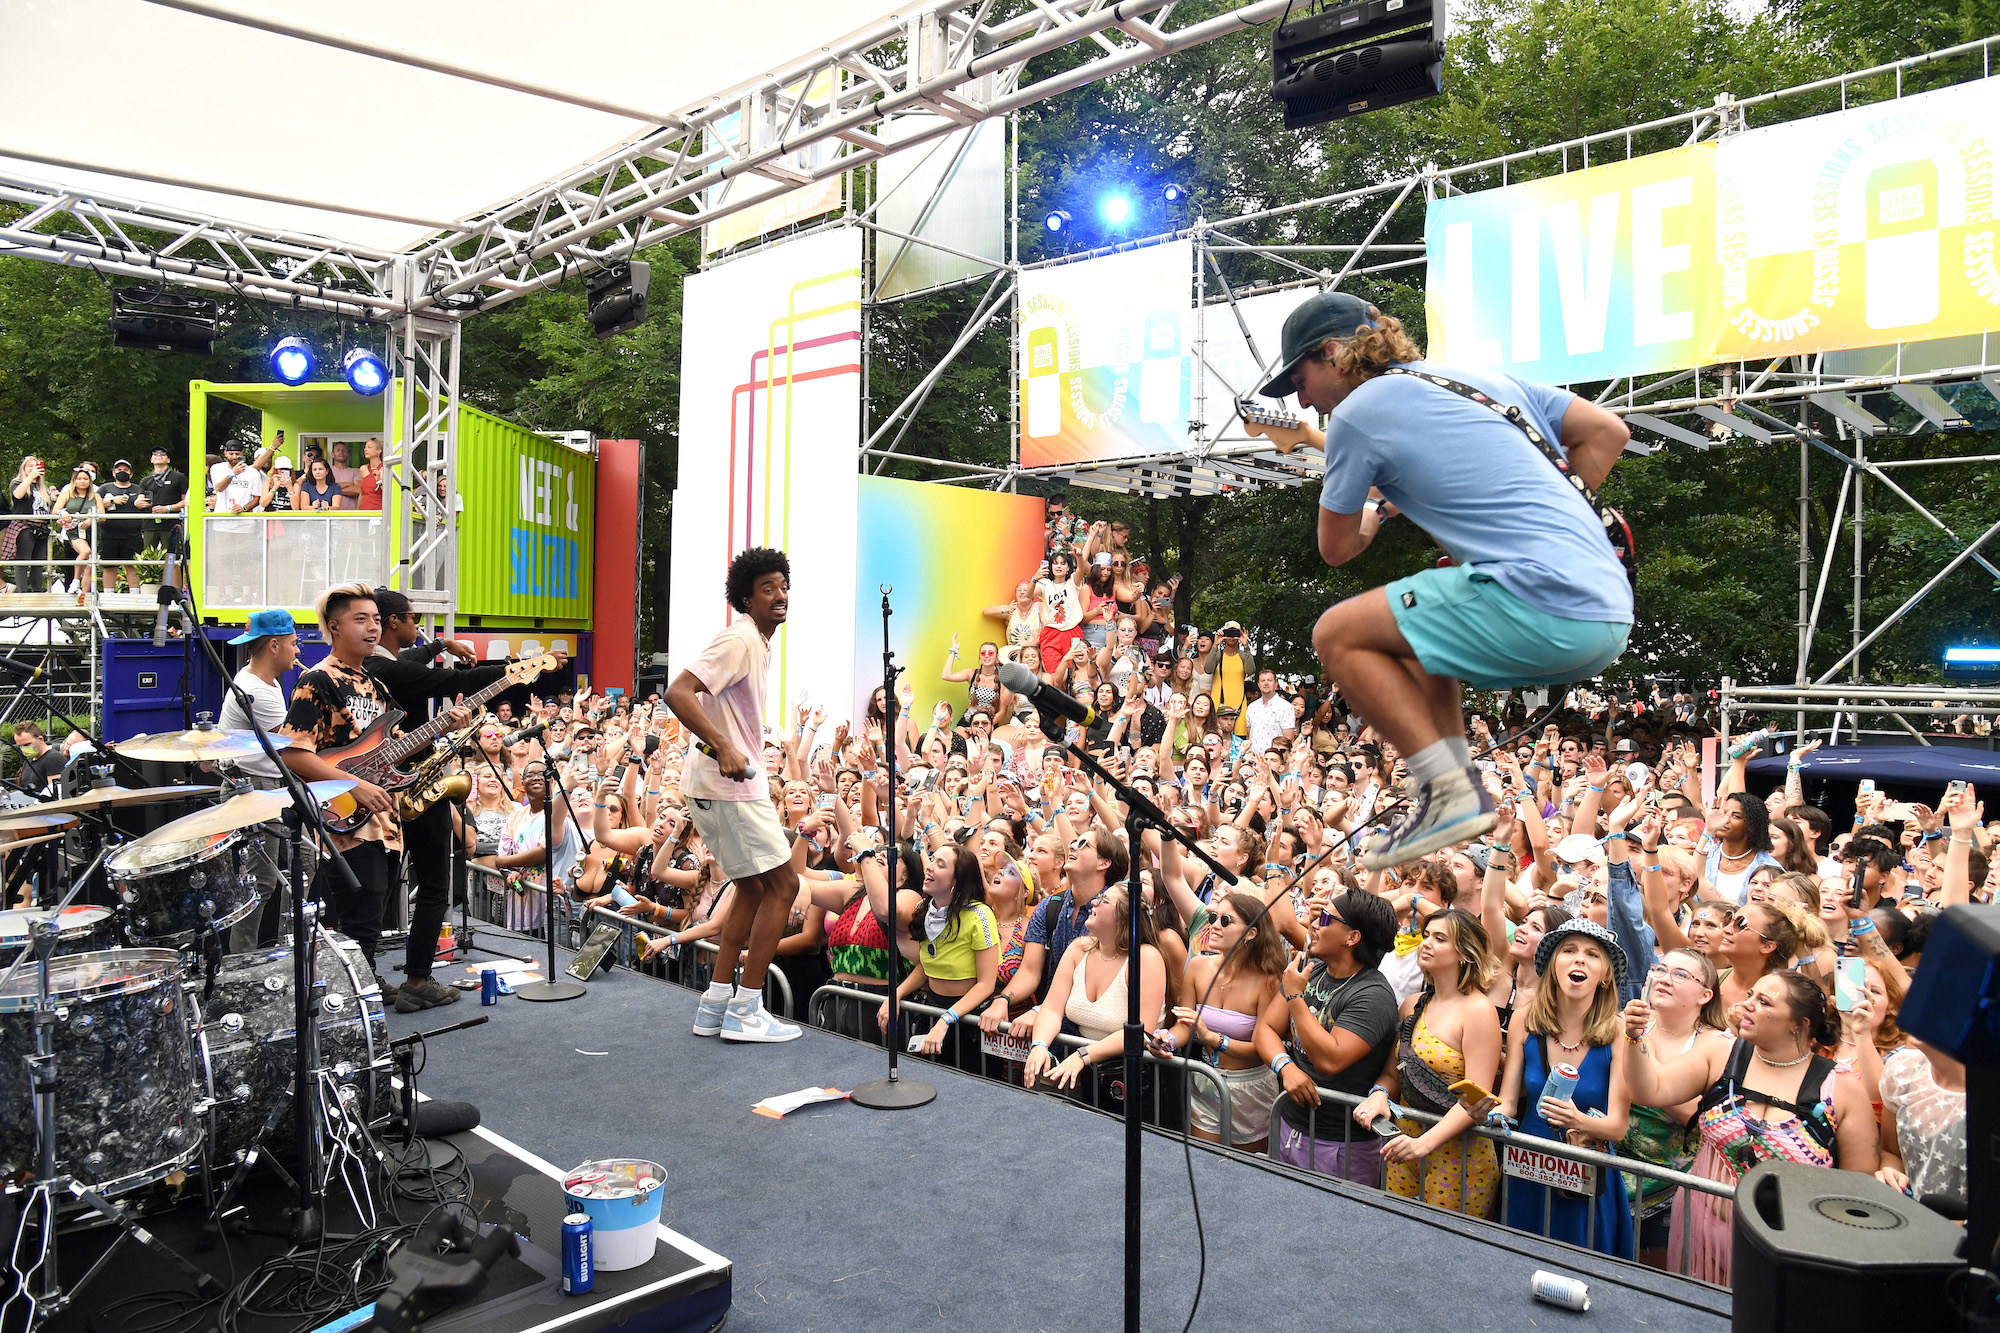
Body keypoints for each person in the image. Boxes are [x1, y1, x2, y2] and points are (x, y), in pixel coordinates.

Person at [1249, 290, 1633, 869]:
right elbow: (1608, 432)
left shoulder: (1356, 413)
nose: (1301, 398)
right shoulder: (1484, 380)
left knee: (1337, 634)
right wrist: (1530, 528)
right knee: (1411, 635)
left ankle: (1449, 792)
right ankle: (1457, 789)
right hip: (1607, 611)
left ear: (1332, 352)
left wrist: (1376, 513)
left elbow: (1337, 547)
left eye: (1299, 379)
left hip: (1542, 605)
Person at [1624, 968, 1878, 1286]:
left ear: (1799, 1025)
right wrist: (1634, 1039)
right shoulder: (1722, 1053)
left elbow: (1858, 1186)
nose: (1747, 1005)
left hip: (1783, 1256)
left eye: (1764, 1002)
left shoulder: (1840, 1089)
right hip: (1698, 1240)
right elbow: (1651, 1089)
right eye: (1750, 996)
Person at [367, 586, 542, 1012]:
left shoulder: (381, 664)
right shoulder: (390, 670)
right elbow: (456, 680)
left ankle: (368, 975)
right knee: (432, 885)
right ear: (394, 622)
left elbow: (415, 657)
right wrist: (511, 671)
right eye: (412, 619)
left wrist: (441, 644)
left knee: (382, 885)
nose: (417, 627)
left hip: (393, 785)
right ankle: (417, 980)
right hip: (409, 788)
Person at [662, 547, 801, 1043]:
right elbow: (676, 690)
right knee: (784, 887)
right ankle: (746, 1010)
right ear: (747, 596)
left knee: (751, 886)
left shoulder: (756, 642)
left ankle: (716, 1003)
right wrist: (722, 744)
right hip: (730, 787)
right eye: (768, 588)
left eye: (783, 585)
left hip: (718, 787)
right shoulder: (741, 637)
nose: (780, 595)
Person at [276, 584, 402, 980]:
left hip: (379, 817)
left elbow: (390, 751)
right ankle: (355, 1002)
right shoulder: (318, 680)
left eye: (377, 620)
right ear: (333, 627)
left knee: (372, 913)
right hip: (342, 816)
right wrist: (353, 785)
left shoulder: (377, 687)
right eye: (360, 619)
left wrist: (447, 729)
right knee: (359, 917)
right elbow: (293, 753)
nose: (373, 628)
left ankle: (365, 988)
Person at [1498, 918, 1635, 1259]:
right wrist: (1485, 1111)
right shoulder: (1524, 1019)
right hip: (1527, 1167)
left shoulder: (1619, 1033)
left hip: (1583, 1174)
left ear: (1605, 975)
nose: (1579, 960)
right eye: (1569, 951)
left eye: (1592, 954)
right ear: (1553, 964)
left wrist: (1578, 1120)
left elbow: (1617, 1127)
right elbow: (1509, 1104)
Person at [1353, 906, 1503, 1218]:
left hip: (1457, 1156)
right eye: (1426, 935)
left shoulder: (1479, 1011)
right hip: (1404, 1144)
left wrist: (1424, 1144)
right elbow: (1394, 1074)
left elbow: (1476, 1098)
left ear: (1464, 953)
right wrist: (1379, 1094)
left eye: (1440, 938)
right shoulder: (1411, 1004)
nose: (1426, 943)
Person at [1254, 887, 1401, 1184]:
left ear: (1352, 937)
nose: (1313, 924)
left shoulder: (1373, 994)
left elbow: (1330, 1060)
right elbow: (1265, 1030)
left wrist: (1295, 996)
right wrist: (1287, 1067)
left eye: (1325, 919)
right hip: (1290, 1124)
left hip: (1340, 1143)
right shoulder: (1313, 969)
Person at [1150, 890, 1287, 1151]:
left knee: (1246, 1173)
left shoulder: (1269, 980)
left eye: (1226, 921)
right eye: (1214, 917)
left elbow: (1264, 1049)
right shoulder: (1198, 967)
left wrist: (1214, 1039)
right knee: (1206, 1166)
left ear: (1251, 933)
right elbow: (1184, 1024)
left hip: (1252, 1089)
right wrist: (1166, 1040)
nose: (1214, 925)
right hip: (1206, 1082)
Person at [1021, 882, 1166, 1098]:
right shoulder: (1079, 948)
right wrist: (1040, 1045)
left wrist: (1083, 1055)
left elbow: (1142, 1031)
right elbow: (1051, 1008)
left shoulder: (1146, 957)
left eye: (1104, 900)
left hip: (1131, 1081)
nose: (1093, 903)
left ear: (1124, 918)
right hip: (1085, 1071)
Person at [217, 609, 305, 950]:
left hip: (270, 786)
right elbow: (297, 745)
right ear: (273, 645)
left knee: (303, 870)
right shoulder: (257, 692)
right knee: (261, 882)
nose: (298, 652)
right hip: (255, 788)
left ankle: (290, 946)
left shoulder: (264, 681)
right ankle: (242, 960)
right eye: (294, 644)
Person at [137, 446, 189, 578]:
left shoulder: (179, 477)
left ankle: (175, 589)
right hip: (149, 524)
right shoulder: (145, 480)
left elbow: (187, 501)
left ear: (168, 459)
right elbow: (139, 500)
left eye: (162, 454)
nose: (158, 456)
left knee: (172, 558)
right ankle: (151, 587)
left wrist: (168, 508)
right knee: (148, 557)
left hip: (171, 524)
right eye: (155, 454)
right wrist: (138, 503)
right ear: (151, 459)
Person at [95, 459, 145, 593]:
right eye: (119, 470)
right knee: (109, 566)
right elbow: (94, 504)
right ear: (113, 473)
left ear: (131, 474)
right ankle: (108, 595)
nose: (122, 472)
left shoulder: (138, 489)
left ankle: (135, 595)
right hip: (109, 534)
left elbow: (147, 506)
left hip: (133, 535)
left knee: (132, 566)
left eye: (125, 470)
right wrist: (112, 501)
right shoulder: (105, 488)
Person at [51, 466, 101, 596]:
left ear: (90, 481)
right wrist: (63, 513)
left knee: (90, 565)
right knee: (85, 551)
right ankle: (75, 580)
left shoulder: (96, 496)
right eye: (79, 479)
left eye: (85, 479)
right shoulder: (66, 494)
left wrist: (91, 520)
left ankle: (85, 595)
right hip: (75, 530)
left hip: (93, 532)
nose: (82, 481)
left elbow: (102, 516)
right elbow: (55, 510)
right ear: (74, 481)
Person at [11, 722, 62, 794]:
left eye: (27, 744)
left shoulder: (53, 759)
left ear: (40, 739)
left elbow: (55, 793)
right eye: (20, 746)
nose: (24, 748)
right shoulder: (29, 760)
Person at [354, 438, 385, 511]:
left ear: (378, 451)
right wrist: (357, 513)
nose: (365, 449)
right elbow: (362, 493)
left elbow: (389, 494)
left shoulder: (384, 469)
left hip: (379, 513)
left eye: (369, 447)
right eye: (365, 447)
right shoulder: (363, 469)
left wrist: (379, 480)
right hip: (364, 513)